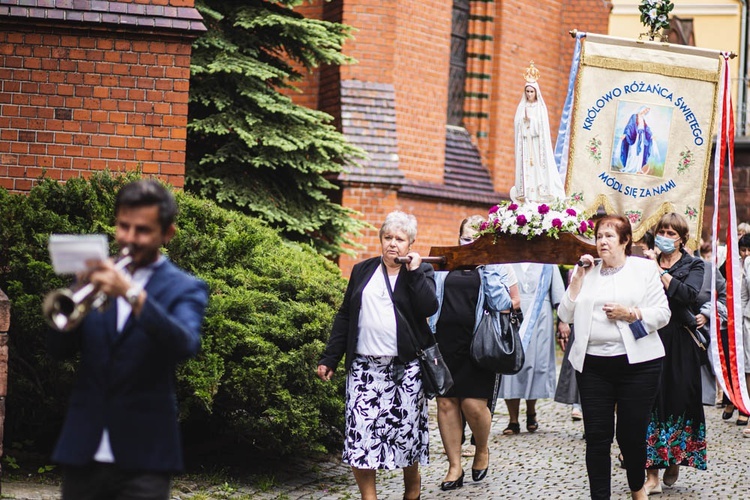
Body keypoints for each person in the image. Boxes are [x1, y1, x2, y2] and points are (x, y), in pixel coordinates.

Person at [46, 179, 210, 500]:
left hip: (145, 458)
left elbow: (185, 343)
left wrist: (132, 294)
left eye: (143, 230)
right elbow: (58, 351)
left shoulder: (186, 288)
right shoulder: (95, 281)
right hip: (83, 450)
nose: (129, 238)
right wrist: (73, 305)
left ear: (167, 234)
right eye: (123, 226)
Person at [316, 211, 438, 500]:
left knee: (404, 434)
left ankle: (412, 487)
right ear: (380, 239)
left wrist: (415, 272)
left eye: (400, 239)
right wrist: (330, 357)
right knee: (360, 433)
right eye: (388, 237)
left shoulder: (419, 273)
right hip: (363, 368)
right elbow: (345, 315)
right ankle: (368, 498)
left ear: (410, 244)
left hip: (404, 370)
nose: (393, 244)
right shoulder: (362, 270)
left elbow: (428, 307)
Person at [557, 214, 671, 500]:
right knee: (597, 437)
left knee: (630, 437)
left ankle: (636, 488)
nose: (602, 241)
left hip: (639, 366)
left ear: (625, 240)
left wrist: (630, 313)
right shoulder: (586, 271)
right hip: (593, 366)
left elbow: (663, 314)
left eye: (609, 235)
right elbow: (564, 314)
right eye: (599, 236)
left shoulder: (644, 270)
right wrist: (578, 279)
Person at [427, 215, 519, 491]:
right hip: (445, 342)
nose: (469, 245)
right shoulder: (444, 266)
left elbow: (503, 303)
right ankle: (454, 466)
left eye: (476, 240)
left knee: (473, 404)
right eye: (466, 239)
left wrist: (488, 264)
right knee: (446, 403)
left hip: (478, 345)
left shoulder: (494, 267)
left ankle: (481, 448)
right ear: (458, 238)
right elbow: (431, 301)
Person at [643, 213, 707, 493]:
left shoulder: (694, 264)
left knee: (679, 398)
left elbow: (688, 296)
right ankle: (652, 475)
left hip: (680, 342)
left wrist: (659, 272)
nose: (665, 237)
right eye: (662, 232)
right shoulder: (644, 263)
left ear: (682, 238)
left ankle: (674, 457)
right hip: (649, 339)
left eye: (671, 233)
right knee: (649, 402)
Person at [498, 262, 564, 434]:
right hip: (513, 319)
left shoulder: (548, 264)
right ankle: (513, 420)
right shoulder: (507, 263)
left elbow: (559, 295)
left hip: (540, 319)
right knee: (511, 367)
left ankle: (531, 412)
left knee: (536, 365)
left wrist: (563, 321)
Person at [511, 61, 565, 203]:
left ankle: (539, 192)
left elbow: (542, 129)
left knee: (536, 169)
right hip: (525, 143)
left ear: (536, 92)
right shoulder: (522, 107)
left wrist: (531, 121)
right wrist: (522, 122)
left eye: (531, 91)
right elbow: (517, 125)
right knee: (527, 169)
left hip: (536, 144)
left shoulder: (540, 107)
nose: (529, 94)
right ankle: (527, 193)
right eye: (527, 91)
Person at [619, 106, 654, 175]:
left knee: (640, 154)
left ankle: (638, 168)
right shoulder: (634, 116)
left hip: (642, 137)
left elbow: (646, 128)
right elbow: (629, 126)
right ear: (642, 109)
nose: (645, 112)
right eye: (645, 110)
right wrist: (625, 134)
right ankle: (630, 168)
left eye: (647, 111)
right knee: (633, 152)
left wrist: (651, 135)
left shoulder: (643, 119)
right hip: (635, 138)